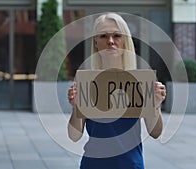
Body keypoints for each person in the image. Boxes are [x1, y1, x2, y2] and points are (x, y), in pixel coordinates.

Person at [67, 13, 166, 169]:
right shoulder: (87, 81)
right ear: (96, 42)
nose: (110, 41)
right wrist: (76, 107)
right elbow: (74, 136)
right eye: (103, 36)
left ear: (125, 40)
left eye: (117, 35)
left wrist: (156, 105)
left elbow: (155, 133)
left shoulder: (140, 81)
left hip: (130, 165)